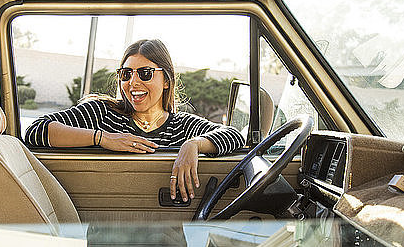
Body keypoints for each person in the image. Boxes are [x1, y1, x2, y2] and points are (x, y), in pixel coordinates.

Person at [24, 39, 245, 202]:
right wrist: (102, 138)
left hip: (168, 240)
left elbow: (234, 136)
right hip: (109, 232)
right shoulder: (101, 112)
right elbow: (36, 130)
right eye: (126, 74)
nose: (133, 82)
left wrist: (193, 145)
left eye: (145, 73)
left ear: (166, 80)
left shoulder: (183, 125)